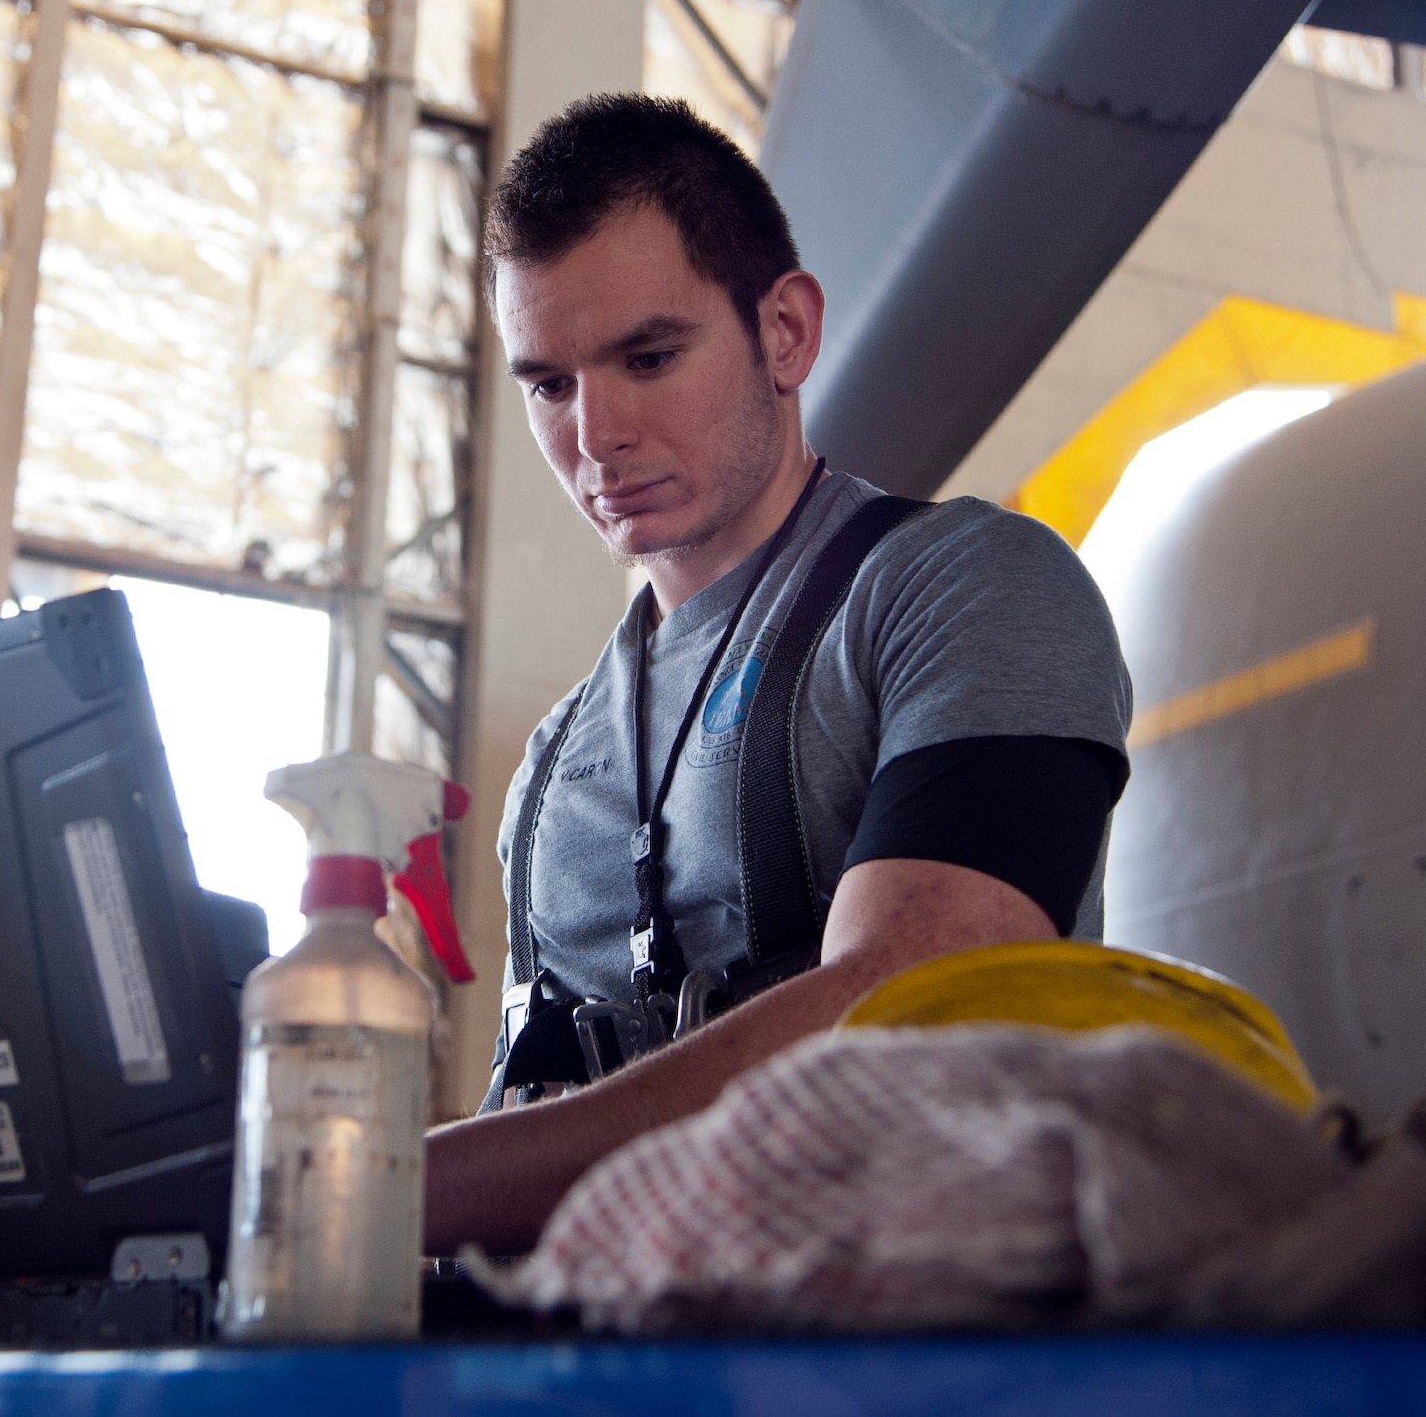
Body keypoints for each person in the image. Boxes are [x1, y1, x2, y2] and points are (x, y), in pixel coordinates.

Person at [423, 94, 1131, 1257]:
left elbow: (921, 1004)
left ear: (786, 333)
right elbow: (532, 1114)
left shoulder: (962, 591)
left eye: (647, 357)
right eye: (547, 383)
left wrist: (403, 1187)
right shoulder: (551, 774)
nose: (595, 434)